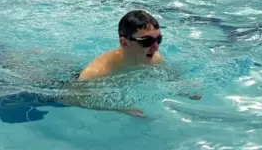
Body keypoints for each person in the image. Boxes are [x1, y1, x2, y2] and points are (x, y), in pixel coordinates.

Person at [66, 10, 200, 117]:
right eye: (146, 42)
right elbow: (74, 99)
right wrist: (118, 109)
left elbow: (170, 75)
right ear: (124, 43)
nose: (155, 47)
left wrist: (185, 90)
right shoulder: (96, 73)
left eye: (158, 39)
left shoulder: (155, 58)